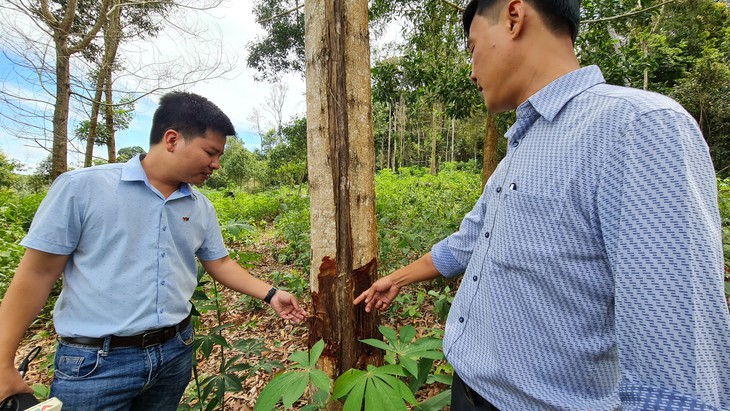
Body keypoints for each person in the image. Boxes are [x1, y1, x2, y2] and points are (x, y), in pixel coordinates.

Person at [355, 0, 730, 409]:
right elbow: (471, 238)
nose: (471, 68)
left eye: (473, 47)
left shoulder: (638, 127)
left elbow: (681, 372)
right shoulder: (523, 144)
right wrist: (399, 279)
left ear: (514, 17)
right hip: (467, 389)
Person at [0, 91, 307, 410]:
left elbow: (220, 262)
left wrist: (271, 294)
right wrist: (2, 363)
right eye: (211, 153)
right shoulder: (82, 189)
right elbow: (37, 273)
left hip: (174, 352)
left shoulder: (200, 206)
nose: (216, 164)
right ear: (172, 139)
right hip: (95, 365)